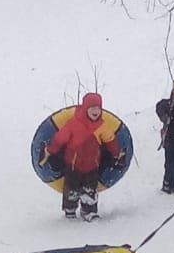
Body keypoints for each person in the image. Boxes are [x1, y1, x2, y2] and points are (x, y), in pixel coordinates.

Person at [42, 92, 125, 222]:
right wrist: (50, 150)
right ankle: (70, 210)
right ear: (85, 108)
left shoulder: (102, 126)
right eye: (92, 108)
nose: (95, 111)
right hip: (73, 165)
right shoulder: (74, 124)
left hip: (92, 166)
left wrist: (117, 154)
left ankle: (89, 211)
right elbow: (60, 139)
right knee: (71, 189)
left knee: (90, 189)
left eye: (98, 108)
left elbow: (110, 141)